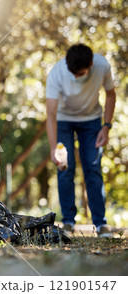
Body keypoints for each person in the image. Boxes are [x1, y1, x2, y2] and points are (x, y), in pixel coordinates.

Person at [45, 44, 116, 237]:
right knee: (64, 167)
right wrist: (53, 149)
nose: (76, 78)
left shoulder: (102, 66)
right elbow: (50, 114)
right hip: (63, 120)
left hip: (91, 121)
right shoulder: (57, 73)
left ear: (91, 65)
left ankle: (100, 224)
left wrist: (106, 126)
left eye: (81, 74)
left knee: (92, 167)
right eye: (73, 74)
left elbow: (110, 94)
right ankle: (68, 222)